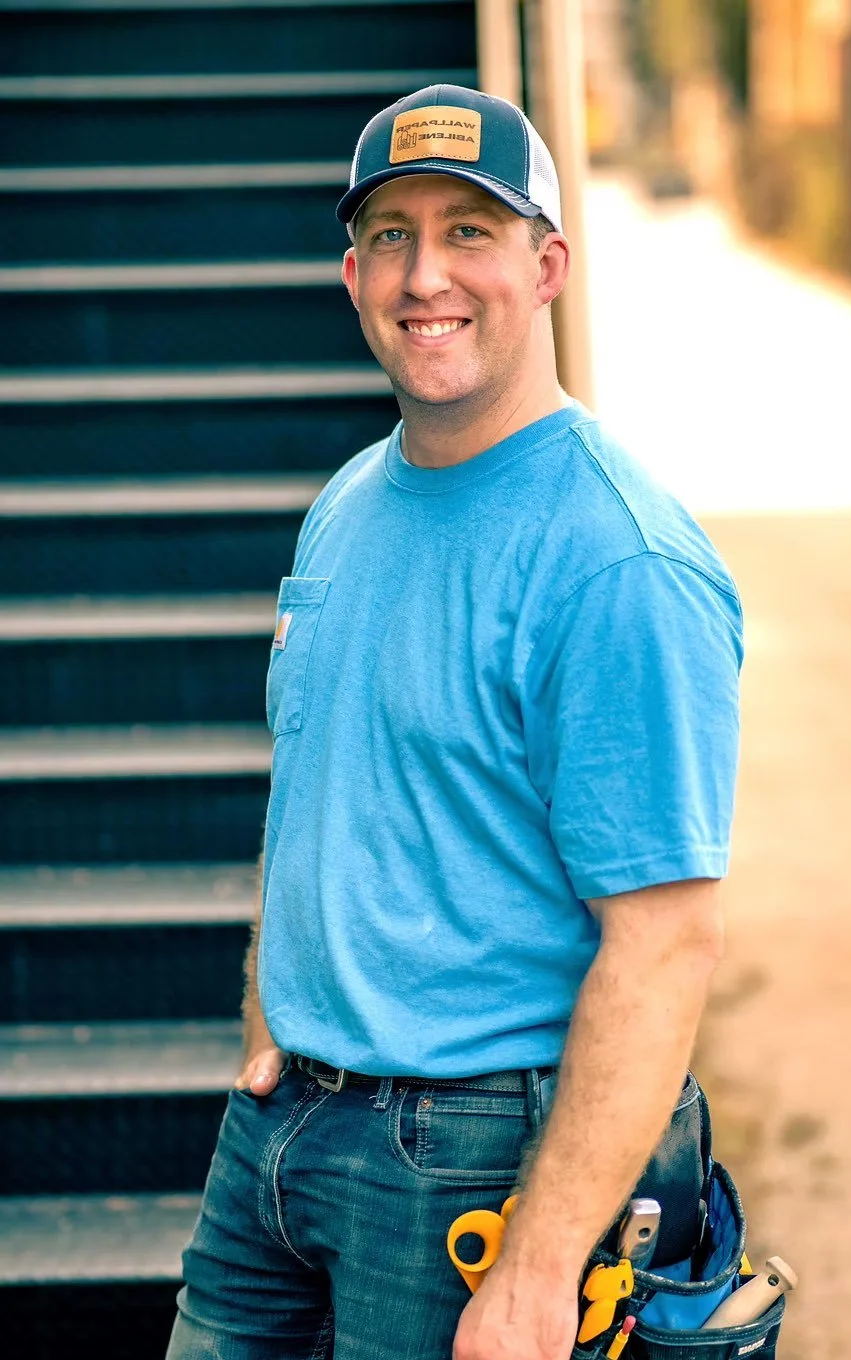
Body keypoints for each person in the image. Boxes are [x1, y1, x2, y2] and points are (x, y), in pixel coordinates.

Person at [166, 84, 743, 1360]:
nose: (425, 273)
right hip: (275, 1137)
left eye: (470, 231)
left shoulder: (617, 561)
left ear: (546, 266)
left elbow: (663, 944)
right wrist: (274, 1010)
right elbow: (317, 780)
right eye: (390, 234)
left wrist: (540, 1268)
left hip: (466, 1171)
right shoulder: (348, 502)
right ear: (352, 271)